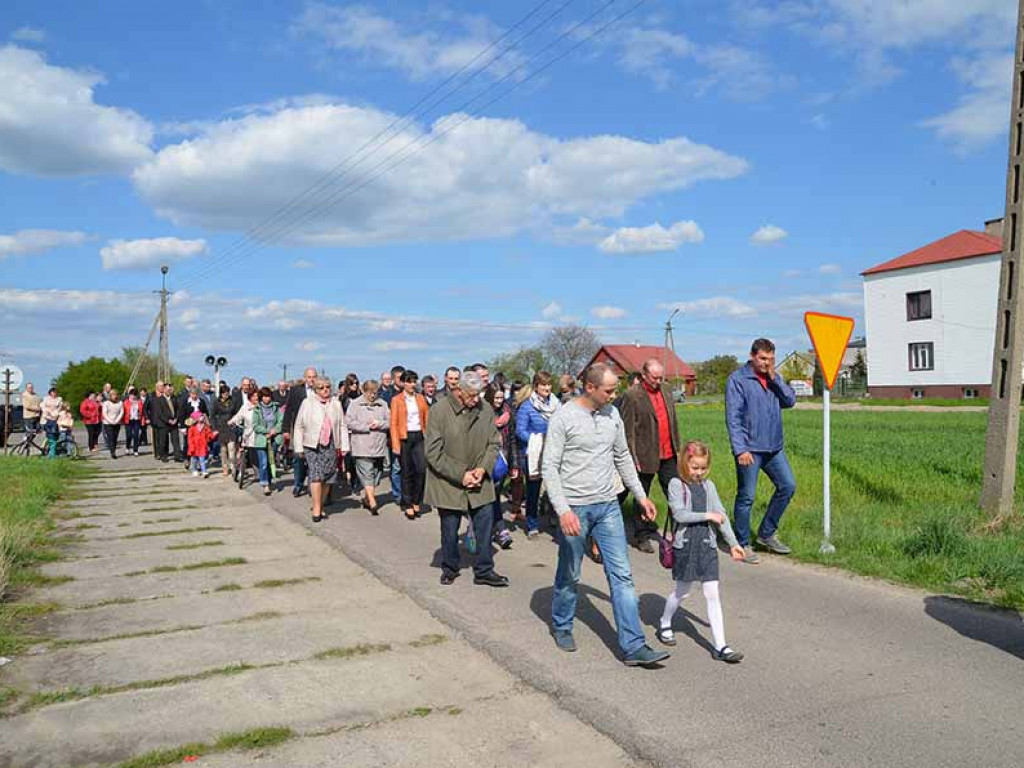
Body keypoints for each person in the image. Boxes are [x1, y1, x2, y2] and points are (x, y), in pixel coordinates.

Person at [542, 362, 669, 667]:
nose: (614, 396)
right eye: (609, 390)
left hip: (608, 506)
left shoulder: (612, 415)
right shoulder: (564, 418)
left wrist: (640, 496)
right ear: (590, 388)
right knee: (570, 573)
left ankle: (634, 645)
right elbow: (549, 468)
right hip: (575, 508)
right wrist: (563, 511)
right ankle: (561, 625)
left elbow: (622, 456)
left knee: (622, 576)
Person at [657, 441, 745, 663]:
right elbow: (680, 514)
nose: (699, 472)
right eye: (694, 467)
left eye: (703, 468)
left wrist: (733, 543)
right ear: (685, 465)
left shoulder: (709, 486)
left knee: (712, 594)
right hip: (686, 546)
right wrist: (708, 515)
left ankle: (721, 646)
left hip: (707, 546)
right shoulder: (676, 485)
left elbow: (721, 514)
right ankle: (665, 622)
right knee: (682, 592)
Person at [425, 371, 507, 588]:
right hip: (449, 481)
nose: (476, 400)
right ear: (458, 391)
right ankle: (450, 567)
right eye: (471, 395)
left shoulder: (485, 409)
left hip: (480, 480)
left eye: (479, 394)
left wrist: (482, 469)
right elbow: (433, 453)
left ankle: (484, 569)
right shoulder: (439, 411)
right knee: (449, 528)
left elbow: (493, 443)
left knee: (485, 525)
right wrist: (461, 474)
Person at [725, 338, 797, 564]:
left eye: (771, 359)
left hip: (773, 447)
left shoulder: (774, 378)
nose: (767, 363)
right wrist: (740, 450)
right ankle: (743, 543)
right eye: (763, 358)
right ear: (752, 356)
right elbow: (733, 418)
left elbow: (790, 401)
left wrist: (776, 379)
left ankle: (766, 533)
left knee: (787, 486)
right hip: (750, 449)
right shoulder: (738, 380)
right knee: (747, 496)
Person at [618, 359, 681, 553]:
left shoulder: (667, 390)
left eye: (660, 377)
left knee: (676, 493)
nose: (658, 381)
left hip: (668, 452)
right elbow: (627, 430)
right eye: (654, 377)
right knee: (641, 495)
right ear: (643, 375)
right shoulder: (632, 396)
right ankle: (641, 535)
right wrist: (632, 457)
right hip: (645, 454)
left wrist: (677, 447)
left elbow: (673, 420)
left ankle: (679, 532)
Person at [292, 377, 349, 522]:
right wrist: (298, 447)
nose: (325, 390)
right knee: (316, 474)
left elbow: (342, 425)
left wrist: (344, 445)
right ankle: (316, 509)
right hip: (312, 444)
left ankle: (320, 504)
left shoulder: (335, 404)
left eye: (328, 387)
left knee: (328, 476)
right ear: (315, 390)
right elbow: (299, 426)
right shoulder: (307, 403)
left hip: (330, 443)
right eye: (321, 387)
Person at [515, 371, 559, 538]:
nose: (547, 388)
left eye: (548, 384)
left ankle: (554, 517)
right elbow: (520, 431)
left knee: (555, 487)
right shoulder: (527, 406)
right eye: (543, 385)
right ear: (536, 386)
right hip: (533, 453)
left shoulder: (556, 404)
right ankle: (532, 523)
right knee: (533, 491)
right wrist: (538, 440)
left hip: (554, 451)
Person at [345, 379, 390, 514]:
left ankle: (367, 498)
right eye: (370, 393)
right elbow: (349, 422)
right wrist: (366, 427)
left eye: (375, 393)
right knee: (367, 473)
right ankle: (372, 502)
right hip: (361, 445)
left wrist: (379, 424)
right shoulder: (355, 404)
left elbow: (390, 421)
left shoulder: (383, 404)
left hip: (379, 446)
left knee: (376, 474)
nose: (372, 395)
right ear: (364, 391)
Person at [390, 370, 430, 520]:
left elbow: (427, 417)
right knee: (406, 471)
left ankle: (416, 499)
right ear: (403, 383)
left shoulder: (420, 398)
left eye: (414, 381)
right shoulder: (397, 400)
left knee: (421, 469)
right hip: (404, 437)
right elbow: (393, 423)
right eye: (409, 381)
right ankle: (407, 503)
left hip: (419, 435)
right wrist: (395, 443)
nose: (412, 384)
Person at [484, 383, 518, 550]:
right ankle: (497, 529)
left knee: (495, 497)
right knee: (488, 498)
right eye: (496, 397)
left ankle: (496, 530)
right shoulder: (482, 413)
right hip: (485, 461)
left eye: (501, 397)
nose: (499, 400)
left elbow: (512, 440)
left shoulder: (507, 414)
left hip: (502, 461)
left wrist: (514, 464)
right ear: (490, 397)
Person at [282, 367, 318, 498]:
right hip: (299, 428)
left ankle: (311, 484)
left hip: (315, 430)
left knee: (312, 458)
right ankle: (298, 484)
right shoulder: (296, 391)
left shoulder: (320, 390)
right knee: (298, 457)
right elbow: (288, 410)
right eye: (309, 377)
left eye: (314, 377)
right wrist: (285, 429)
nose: (312, 379)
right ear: (305, 378)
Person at [211, 382, 239, 477]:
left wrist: (235, 421)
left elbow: (236, 413)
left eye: (227, 393)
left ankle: (233, 467)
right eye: (224, 393)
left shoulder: (233, 401)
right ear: (221, 393)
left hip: (231, 427)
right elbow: (213, 416)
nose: (226, 395)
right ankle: (225, 468)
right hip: (221, 427)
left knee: (232, 449)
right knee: (223, 450)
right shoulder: (216, 402)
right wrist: (214, 428)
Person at [153, 383, 182, 463]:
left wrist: (176, 418)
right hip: (164, 423)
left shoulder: (174, 399)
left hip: (174, 422)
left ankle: (177, 456)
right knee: (164, 440)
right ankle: (164, 455)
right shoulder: (159, 400)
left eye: (170, 389)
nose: (169, 391)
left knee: (176, 440)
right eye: (167, 389)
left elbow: (178, 409)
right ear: (164, 389)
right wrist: (168, 420)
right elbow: (159, 413)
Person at [187, 411, 215, 478]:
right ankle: (194, 470)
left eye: (202, 416)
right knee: (194, 459)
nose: (202, 417)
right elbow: (190, 438)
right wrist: (191, 446)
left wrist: (213, 435)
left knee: (202, 459)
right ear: (196, 418)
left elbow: (209, 434)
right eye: (200, 416)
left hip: (202, 445)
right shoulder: (192, 428)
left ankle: (204, 471)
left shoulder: (205, 427)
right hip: (195, 446)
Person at [41, 387, 63, 458]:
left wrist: (55, 414)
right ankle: (48, 450)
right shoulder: (45, 399)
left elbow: (59, 408)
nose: (54, 393)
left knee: (54, 436)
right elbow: (43, 408)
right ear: (50, 393)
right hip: (46, 419)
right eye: (53, 392)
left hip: (55, 419)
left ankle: (51, 451)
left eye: (55, 392)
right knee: (49, 436)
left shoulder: (59, 399)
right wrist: (48, 413)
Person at [101, 388, 124, 459]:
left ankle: (113, 449)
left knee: (115, 438)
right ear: (110, 396)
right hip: (108, 423)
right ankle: (112, 452)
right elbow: (104, 413)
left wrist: (117, 420)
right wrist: (110, 421)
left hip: (117, 422)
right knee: (110, 437)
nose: (115, 396)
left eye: (116, 395)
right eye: (113, 395)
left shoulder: (120, 403)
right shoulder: (106, 403)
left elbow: (121, 412)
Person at [122, 388, 146, 456]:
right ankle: (127, 447)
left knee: (136, 435)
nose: (133, 396)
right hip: (128, 420)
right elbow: (123, 411)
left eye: (134, 395)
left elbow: (142, 412)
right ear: (129, 395)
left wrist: (143, 420)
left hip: (136, 420)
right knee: (129, 435)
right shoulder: (126, 402)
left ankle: (135, 450)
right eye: (132, 395)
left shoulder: (139, 402)